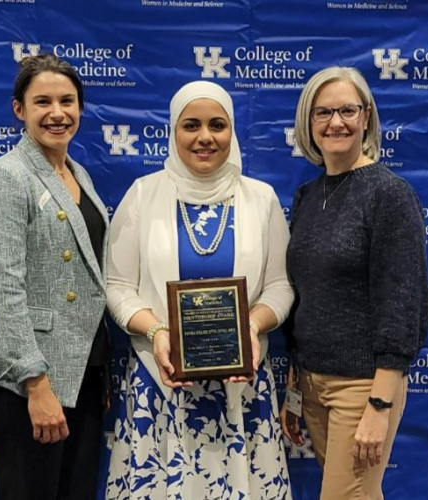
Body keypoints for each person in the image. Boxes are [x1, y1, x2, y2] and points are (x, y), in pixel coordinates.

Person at [105, 81, 294, 500]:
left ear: (232, 133)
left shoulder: (260, 199)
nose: (205, 137)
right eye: (191, 125)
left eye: (217, 125)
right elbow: (117, 287)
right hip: (161, 385)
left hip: (242, 389)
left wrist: (250, 326)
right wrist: (157, 333)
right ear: (173, 131)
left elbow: (280, 286)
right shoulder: (142, 194)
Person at [281, 67, 428, 500]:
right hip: (312, 383)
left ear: (367, 116)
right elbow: (308, 294)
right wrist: (295, 385)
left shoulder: (389, 194)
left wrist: (379, 406)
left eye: (348, 110)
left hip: (363, 388)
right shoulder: (307, 196)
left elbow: (403, 304)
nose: (336, 122)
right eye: (323, 112)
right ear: (308, 123)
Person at [0, 54, 111, 500]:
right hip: (29, 379)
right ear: (19, 109)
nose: (57, 113)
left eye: (67, 101)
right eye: (42, 101)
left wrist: (97, 373)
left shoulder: (78, 173)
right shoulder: (4, 178)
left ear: (80, 108)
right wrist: (36, 384)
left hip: (82, 369)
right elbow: (3, 291)